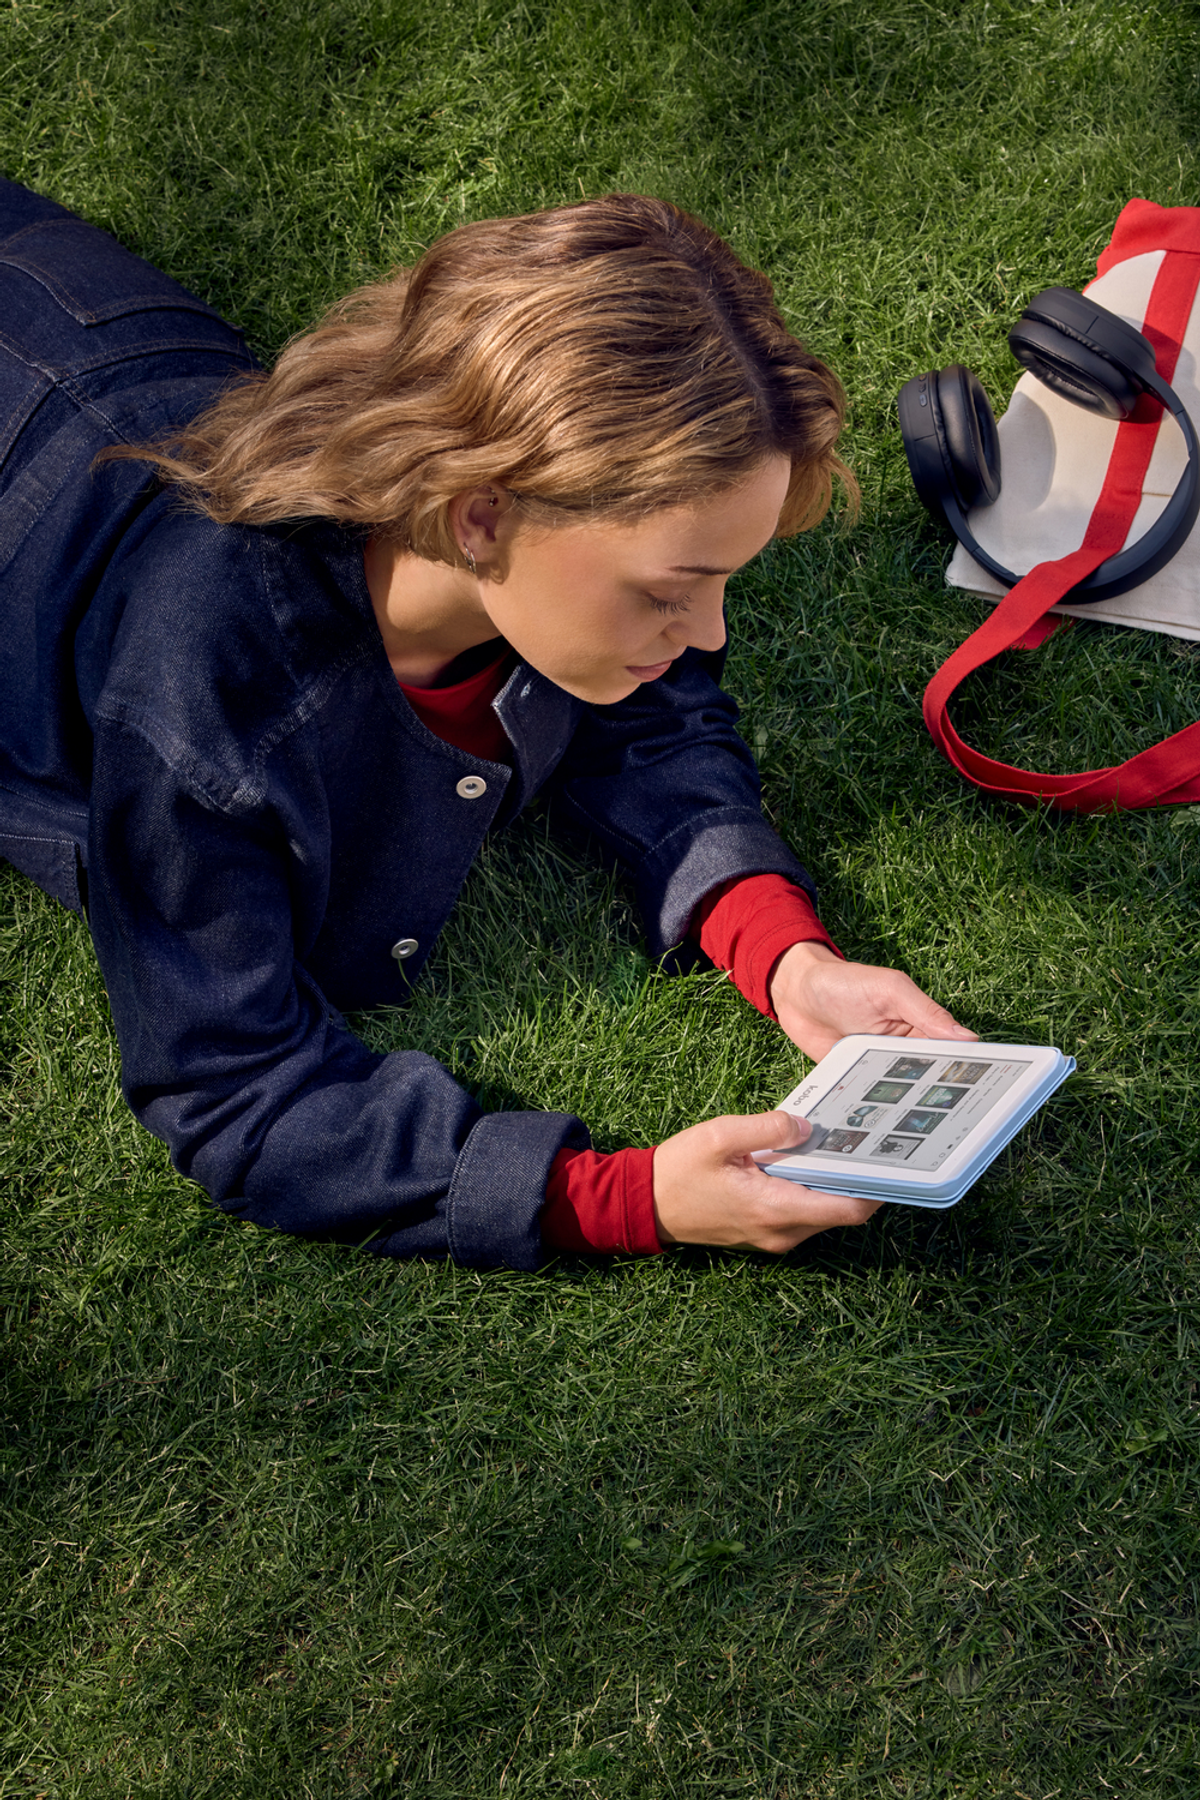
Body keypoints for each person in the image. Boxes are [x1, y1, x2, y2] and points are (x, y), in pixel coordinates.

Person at [0, 177, 975, 1270]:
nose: (706, 636)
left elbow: (653, 725)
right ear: (480, 515)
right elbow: (235, 1088)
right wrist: (625, 1198)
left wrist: (786, 956)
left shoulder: (522, 553)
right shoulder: (201, 702)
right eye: (672, 588)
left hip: (99, 323)